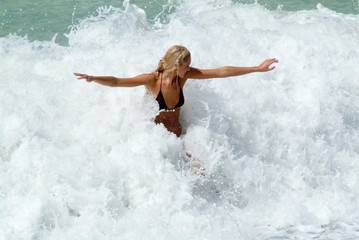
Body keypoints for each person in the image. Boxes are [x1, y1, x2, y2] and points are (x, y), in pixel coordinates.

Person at [74, 45, 278, 138]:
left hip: (178, 135)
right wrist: (94, 78)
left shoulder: (184, 77)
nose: (189, 68)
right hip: (159, 141)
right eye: (186, 65)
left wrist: (256, 68)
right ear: (174, 64)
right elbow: (118, 81)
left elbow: (221, 72)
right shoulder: (152, 80)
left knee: (200, 169)